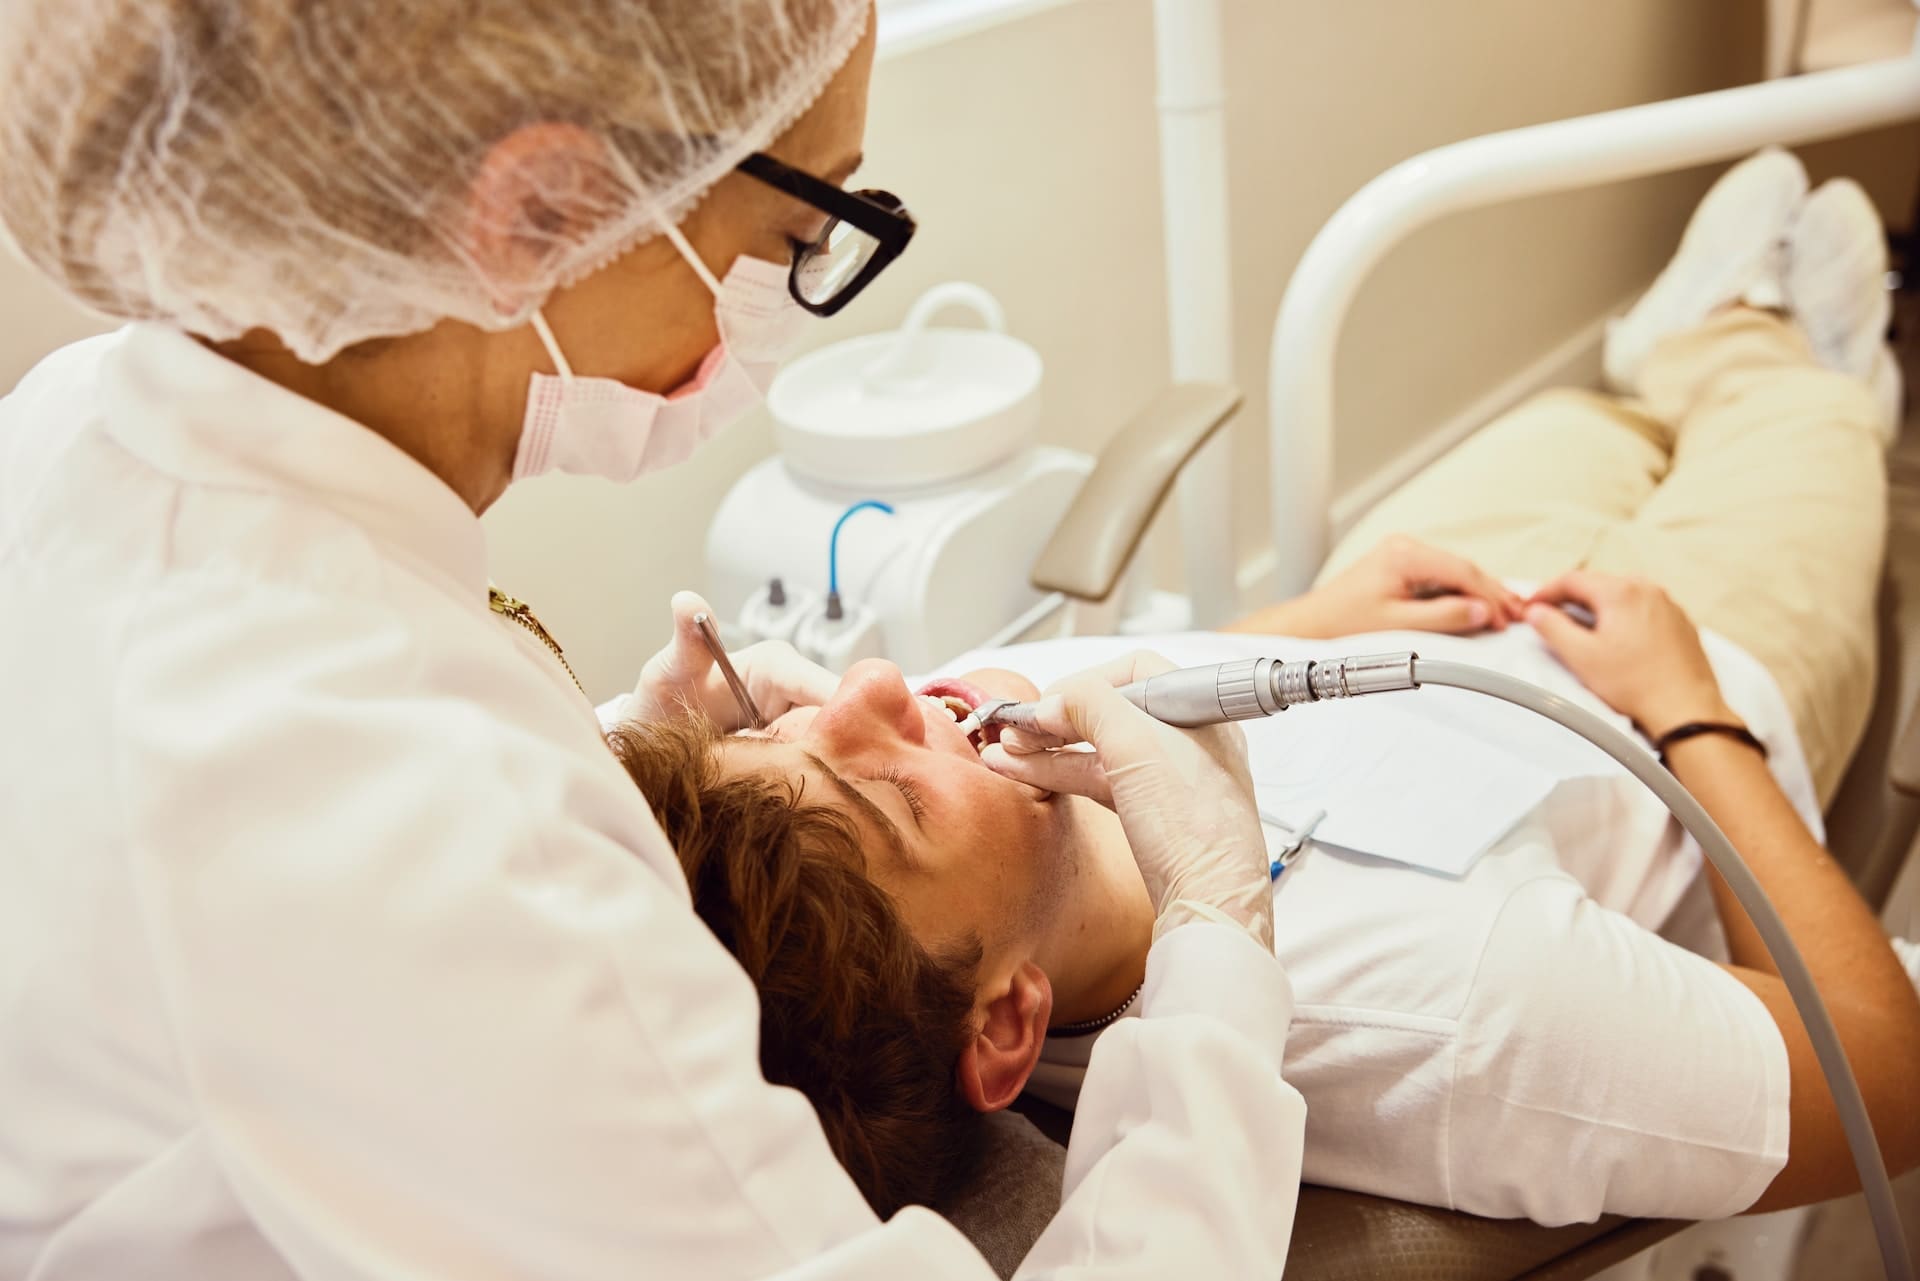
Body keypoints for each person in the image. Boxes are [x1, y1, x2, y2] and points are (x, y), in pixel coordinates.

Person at [0, 4, 1309, 1278]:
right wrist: (1216, 939)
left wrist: (608, 750)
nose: (869, 689)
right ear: (541, 210)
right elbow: (435, 894)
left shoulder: (86, 425)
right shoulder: (414, 827)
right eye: (802, 229)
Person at [606, 149, 1920, 1226]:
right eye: (890, 791)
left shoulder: (1009, 776)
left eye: (787, 728)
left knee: (1586, 422)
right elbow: (1881, 1069)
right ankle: (1774, 344)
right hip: (1679, 704)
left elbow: (1125, 703)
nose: (881, 685)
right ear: (1009, 1016)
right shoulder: (1464, 1021)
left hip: (1413, 608)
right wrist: (1693, 707)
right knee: (1791, 413)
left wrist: (1304, 624)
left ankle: (1680, 353)